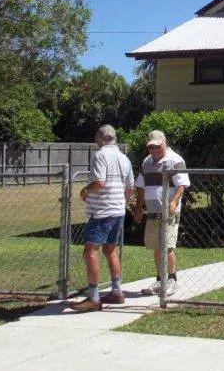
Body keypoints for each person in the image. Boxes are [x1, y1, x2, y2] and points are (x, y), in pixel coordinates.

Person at [70, 125, 134, 313]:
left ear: (100, 138)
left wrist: (84, 191)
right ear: (114, 138)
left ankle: (94, 298)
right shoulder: (124, 158)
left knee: (90, 251)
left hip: (101, 212)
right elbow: (130, 189)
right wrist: (121, 202)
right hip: (118, 212)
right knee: (110, 250)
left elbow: (99, 183)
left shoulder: (100, 155)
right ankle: (117, 291)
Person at [133, 130, 189, 297]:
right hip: (152, 212)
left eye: (157, 146)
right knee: (157, 248)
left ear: (165, 143)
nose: (154, 150)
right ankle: (160, 280)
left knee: (167, 247)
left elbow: (182, 185)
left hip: (169, 212)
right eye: (151, 147)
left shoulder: (176, 160)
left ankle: (172, 281)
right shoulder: (147, 162)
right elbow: (140, 187)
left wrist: (174, 202)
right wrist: (138, 208)